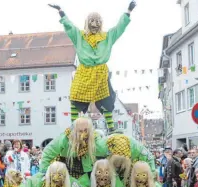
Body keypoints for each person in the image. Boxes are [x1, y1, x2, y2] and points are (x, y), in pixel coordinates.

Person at [49, 1, 136, 133]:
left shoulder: (107, 37)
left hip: (100, 72)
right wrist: (61, 12)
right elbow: (70, 27)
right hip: (84, 71)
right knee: (75, 95)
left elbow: (119, 27)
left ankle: (111, 127)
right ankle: (73, 126)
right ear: (87, 23)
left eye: (97, 21)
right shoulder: (80, 36)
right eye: (92, 21)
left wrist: (128, 11)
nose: (95, 24)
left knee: (106, 98)